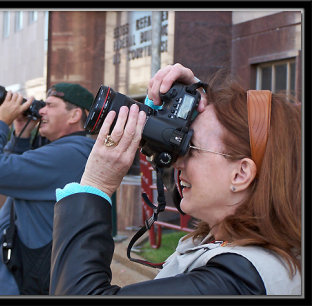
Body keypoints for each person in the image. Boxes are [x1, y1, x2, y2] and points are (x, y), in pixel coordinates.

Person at [49, 64, 301, 295]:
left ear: (241, 174)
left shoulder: (234, 282)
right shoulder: (244, 253)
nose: (178, 161)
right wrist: (193, 99)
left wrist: (95, 184)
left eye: (191, 148)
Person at [0, 82, 95, 295]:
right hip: (28, 271)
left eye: (50, 105)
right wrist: (21, 134)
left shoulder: (69, 155)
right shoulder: (67, 151)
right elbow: (18, 180)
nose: (40, 111)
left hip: (29, 278)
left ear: (75, 115)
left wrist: (1, 121)